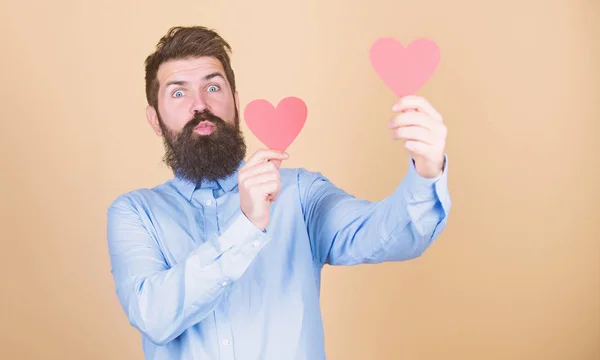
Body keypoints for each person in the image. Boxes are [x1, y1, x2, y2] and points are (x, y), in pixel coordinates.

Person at [106, 25, 452, 360]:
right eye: (178, 93)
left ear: (236, 101)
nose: (200, 105)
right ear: (154, 119)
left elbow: (392, 236)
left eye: (213, 87)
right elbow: (154, 317)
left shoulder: (299, 193)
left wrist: (426, 170)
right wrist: (247, 226)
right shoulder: (135, 213)